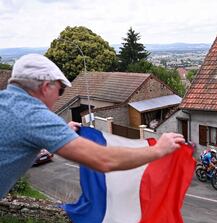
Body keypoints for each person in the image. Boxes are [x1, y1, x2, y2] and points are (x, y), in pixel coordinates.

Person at [0, 54, 185, 198]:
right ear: (46, 86)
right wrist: (158, 150)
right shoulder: (32, 113)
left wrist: (59, 136)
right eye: (60, 90)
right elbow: (104, 160)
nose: (59, 97)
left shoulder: (8, 104)